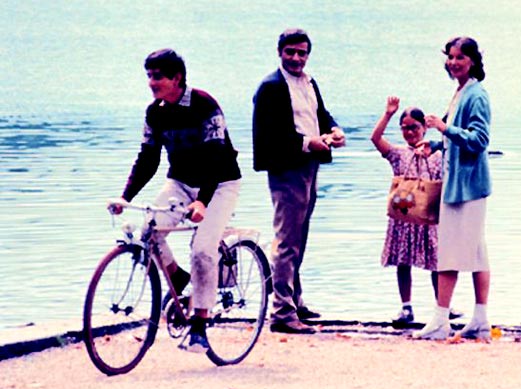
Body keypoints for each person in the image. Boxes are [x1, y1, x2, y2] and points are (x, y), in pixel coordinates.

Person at [109, 48, 242, 352]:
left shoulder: (204, 105)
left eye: (158, 77)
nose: (152, 83)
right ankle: (179, 278)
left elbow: (217, 156)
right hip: (180, 182)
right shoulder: (155, 112)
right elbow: (148, 158)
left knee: (202, 250)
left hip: (220, 182)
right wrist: (125, 196)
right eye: (149, 77)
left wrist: (203, 202)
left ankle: (199, 327)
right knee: (149, 231)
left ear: (177, 78)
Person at [252, 28, 346, 334]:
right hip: (285, 168)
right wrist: (309, 143)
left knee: (299, 236)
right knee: (287, 240)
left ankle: (294, 301)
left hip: (308, 165)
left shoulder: (308, 81)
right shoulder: (270, 87)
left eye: (302, 53)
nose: (296, 58)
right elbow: (270, 137)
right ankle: (281, 313)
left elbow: (320, 113)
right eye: (290, 52)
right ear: (279, 51)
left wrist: (334, 129)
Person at [412, 37, 492, 340]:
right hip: (461, 184)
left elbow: (479, 140)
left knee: (450, 253)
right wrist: (435, 144)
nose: (453, 62)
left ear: (472, 60)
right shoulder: (461, 92)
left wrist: (444, 129)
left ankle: (440, 320)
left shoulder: (477, 95)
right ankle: (480, 320)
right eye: (450, 57)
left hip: (467, 187)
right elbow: (457, 140)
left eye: (460, 57)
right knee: (476, 252)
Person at [371, 97, 462, 328]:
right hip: (404, 217)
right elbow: (375, 138)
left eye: (414, 127)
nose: (410, 132)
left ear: (424, 127)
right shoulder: (398, 154)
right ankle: (406, 307)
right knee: (403, 262)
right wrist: (388, 114)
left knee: (437, 262)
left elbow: (453, 151)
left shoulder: (437, 152)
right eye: (405, 128)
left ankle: (443, 306)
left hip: (429, 217)